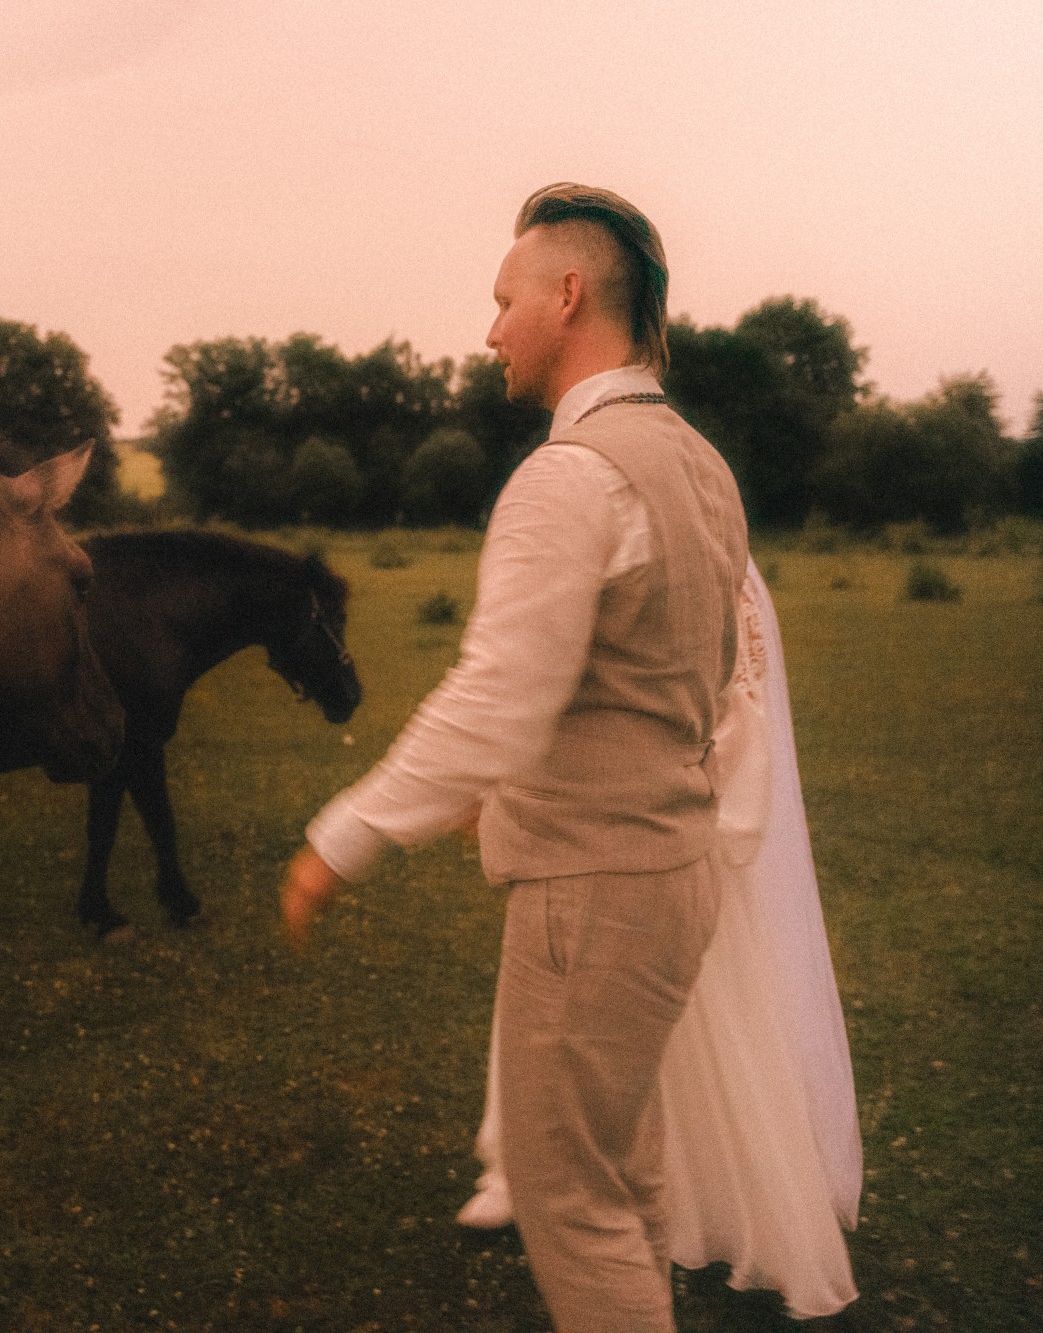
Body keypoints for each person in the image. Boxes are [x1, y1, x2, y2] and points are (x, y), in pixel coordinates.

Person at [281, 182, 751, 1331]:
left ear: (567, 295)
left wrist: (344, 835)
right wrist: (502, 789)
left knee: (566, 1197)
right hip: (673, 875)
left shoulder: (570, 474)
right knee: (621, 1174)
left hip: (594, 893)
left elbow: (499, 693)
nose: (489, 329)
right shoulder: (699, 464)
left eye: (503, 301)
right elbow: (681, 677)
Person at [459, 558, 862, 1319]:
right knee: (561, 1002)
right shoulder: (630, 541)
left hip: (675, 821)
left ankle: (696, 1193)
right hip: (605, 824)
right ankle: (528, 1162)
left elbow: (734, 699)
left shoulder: (713, 560)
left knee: (689, 1014)